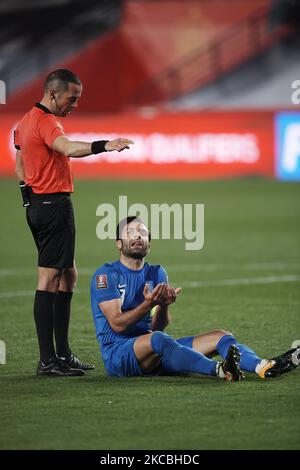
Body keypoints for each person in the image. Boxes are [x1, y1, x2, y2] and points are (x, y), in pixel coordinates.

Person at [14, 69, 134, 377]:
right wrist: (103, 145)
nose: (75, 104)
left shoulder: (25, 121)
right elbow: (67, 148)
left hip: (41, 204)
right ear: (53, 94)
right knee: (49, 279)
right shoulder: (46, 123)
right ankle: (47, 361)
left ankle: (63, 354)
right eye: (72, 98)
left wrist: (27, 197)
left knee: (68, 276)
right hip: (53, 206)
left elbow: (19, 161)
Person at [90, 216, 300, 380]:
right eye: (130, 232)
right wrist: (148, 303)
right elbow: (117, 325)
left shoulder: (156, 273)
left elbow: (157, 328)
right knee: (161, 341)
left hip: (152, 351)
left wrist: (162, 305)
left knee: (221, 336)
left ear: (149, 244)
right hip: (119, 355)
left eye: (143, 233)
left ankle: (262, 366)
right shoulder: (106, 274)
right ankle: (220, 370)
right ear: (119, 243)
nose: (137, 236)